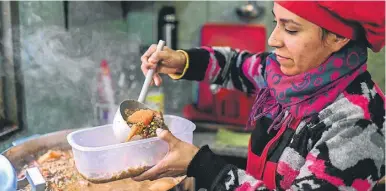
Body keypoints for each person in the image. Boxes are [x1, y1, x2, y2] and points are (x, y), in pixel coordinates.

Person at [134, 1, 385, 190]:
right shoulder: (284, 76)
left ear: (337, 37)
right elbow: (234, 65)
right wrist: (181, 61)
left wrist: (202, 165)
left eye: (291, 30)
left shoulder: (358, 122)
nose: (273, 39)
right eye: (276, 22)